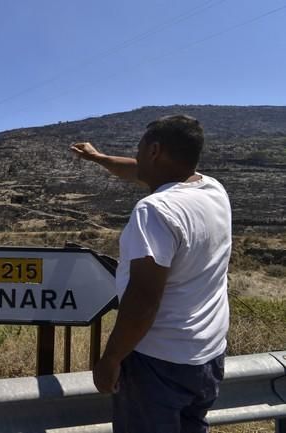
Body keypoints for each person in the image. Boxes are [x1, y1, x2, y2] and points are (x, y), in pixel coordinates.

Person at [70, 114, 231, 433]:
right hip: (207, 359)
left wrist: (111, 359)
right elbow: (139, 170)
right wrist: (99, 158)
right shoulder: (212, 189)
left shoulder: (154, 211)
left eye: (141, 148)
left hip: (158, 366)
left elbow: (143, 300)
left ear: (154, 150)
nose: (138, 154)